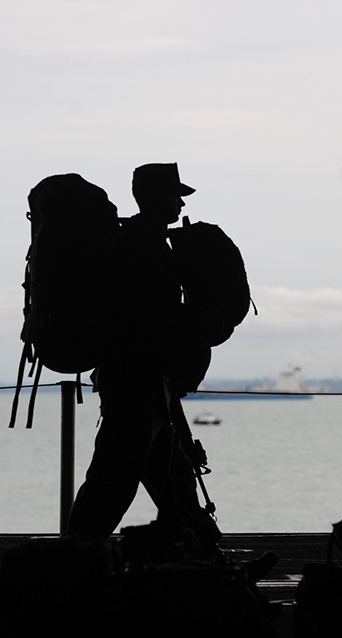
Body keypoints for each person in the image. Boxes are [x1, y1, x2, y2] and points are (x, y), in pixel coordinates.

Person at [66, 163, 221, 555]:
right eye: (174, 194)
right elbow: (151, 317)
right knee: (114, 482)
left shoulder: (144, 241)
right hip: (137, 383)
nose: (179, 202)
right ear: (152, 197)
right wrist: (193, 324)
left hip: (149, 385)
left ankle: (212, 561)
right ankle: (74, 561)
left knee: (175, 482)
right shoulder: (142, 247)